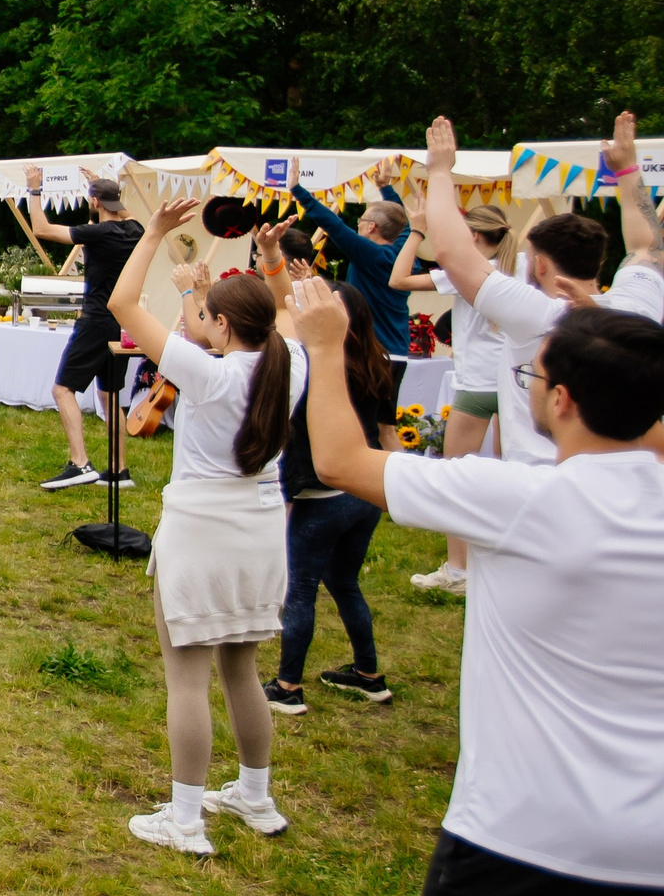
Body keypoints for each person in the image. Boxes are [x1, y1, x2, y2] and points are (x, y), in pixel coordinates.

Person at [290, 278, 664, 896]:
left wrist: (324, 343)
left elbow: (341, 459)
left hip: (524, 822)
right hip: (651, 837)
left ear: (558, 400)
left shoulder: (522, 498)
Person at [107, 195, 303, 856]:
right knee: (242, 666)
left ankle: (185, 817)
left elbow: (124, 304)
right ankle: (256, 793)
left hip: (200, 528)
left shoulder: (209, 373)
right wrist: (272, 259)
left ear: (220, 325)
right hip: (262, 527)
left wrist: (156, 231)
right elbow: (293, 312)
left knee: (186, 675)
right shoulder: (292, 363)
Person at [422, 114, 664, 471]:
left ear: (540, 266)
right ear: (599, 262)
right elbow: (646, 245)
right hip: (629, 474)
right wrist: (627, 169)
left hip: (540, 477)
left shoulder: (537, 316)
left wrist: (440, 172)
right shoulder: (636, 307)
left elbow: (451, 253)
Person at [266, 272, 397, 715]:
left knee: (300, 589)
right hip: (366, 492)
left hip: (322, 497)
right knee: (343, 582)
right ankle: (368, 675)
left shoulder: (314, 367)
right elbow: (386, 433)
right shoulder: (377, 360)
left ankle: (287, 686)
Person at [389, 196, 520, 593]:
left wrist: (416, 230)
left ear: (475, 236)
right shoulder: (522, 266)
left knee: (455, 476)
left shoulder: (465, 270)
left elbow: (398, 281)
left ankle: (458, 571)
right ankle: (511, 558)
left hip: (477, 383)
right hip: (514, 382)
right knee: (517, 472)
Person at [23, 167, 145, 489]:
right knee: (110, 395)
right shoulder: (136, 230)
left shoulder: (99, 233)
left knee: (62, 389)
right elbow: (122, 210)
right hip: (121, 323)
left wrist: (34, 189)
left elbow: (41, 228)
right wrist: (104, 189)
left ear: (93, 201)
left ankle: (80, 464)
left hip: (95, 320)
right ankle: (119, 471)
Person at [288, 175, 414, 357]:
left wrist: (298, 191)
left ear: (371, 227)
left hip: (371, 351)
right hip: (398, 349)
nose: (357, 227)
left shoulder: (373, 255)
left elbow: (335, 226)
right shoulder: (405, 254)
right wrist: (385, 187)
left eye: (360, 221)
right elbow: (403, 224)